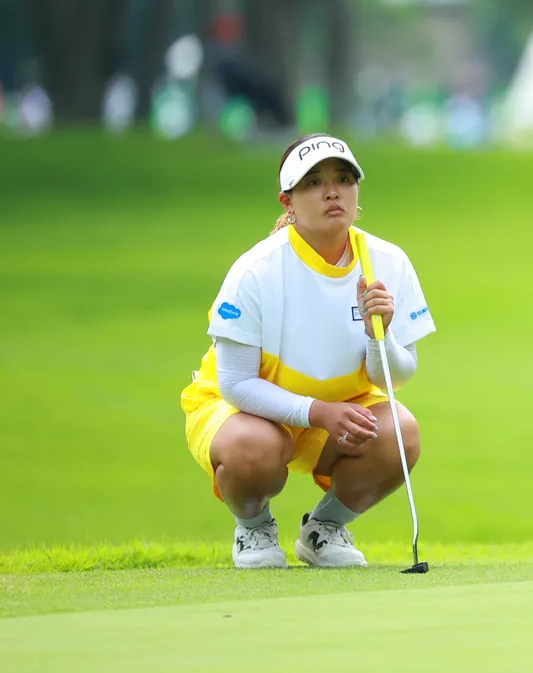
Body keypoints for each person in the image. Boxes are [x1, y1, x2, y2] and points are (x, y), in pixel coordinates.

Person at [180, 133, 436, 568]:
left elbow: (398, 374)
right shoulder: (257, 270)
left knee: (400, 431)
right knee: (252, 447)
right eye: (314, 183)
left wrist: (380, 336)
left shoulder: (388, 262)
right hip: (246, 410)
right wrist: (318, 412)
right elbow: (237, 383)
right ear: (288, 202)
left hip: (339, 409)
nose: (332, 192)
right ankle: (254, 528)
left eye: (343, 179)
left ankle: (324, 529)